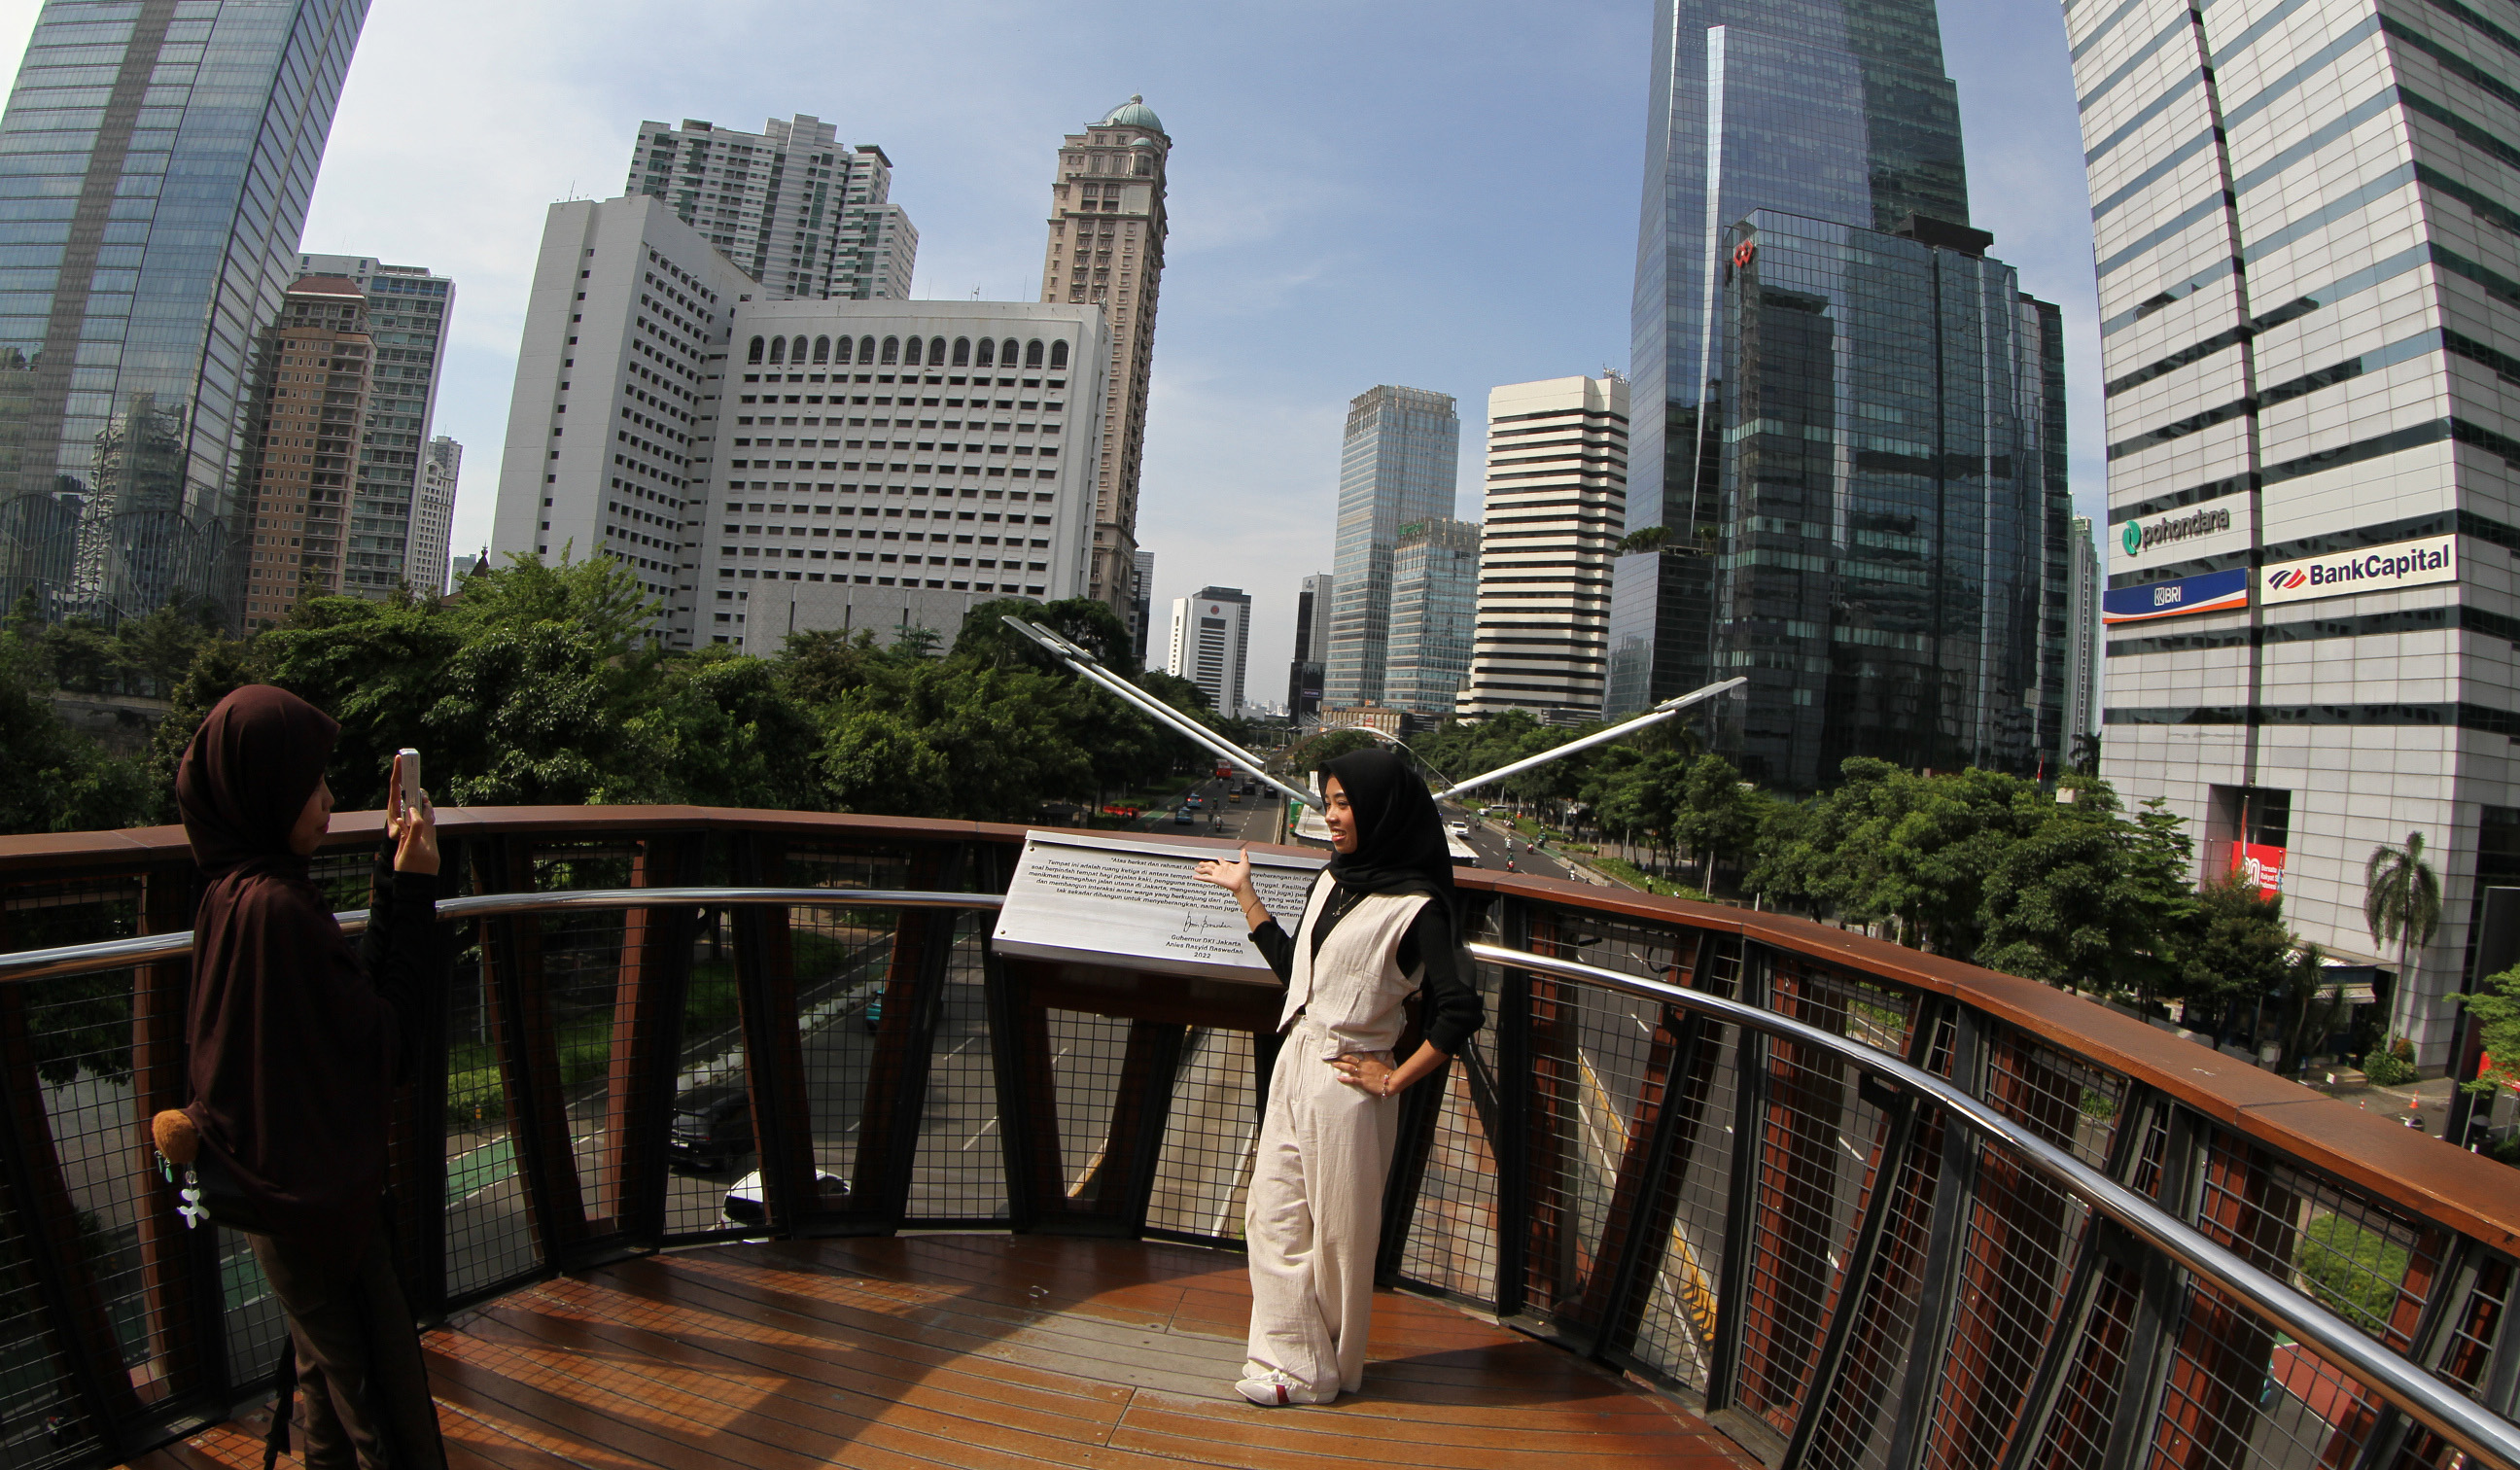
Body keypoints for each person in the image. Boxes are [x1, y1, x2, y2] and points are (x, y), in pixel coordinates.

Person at [176, 685, 449, 1470]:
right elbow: (385, 1046)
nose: (329, 800)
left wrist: (394, 881)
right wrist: (421, 890)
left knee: (325, 1390)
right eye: (314, 784)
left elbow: (348, 1005)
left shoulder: (235, 892)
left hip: (277, 1192)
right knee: (382, 1408)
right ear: (263, 791)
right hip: (319, 1208)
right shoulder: (279, 911)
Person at [1193, 749, 1484, 1406]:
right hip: (1296, 1056)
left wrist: (1395, 1077)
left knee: (1338, 1237)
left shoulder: (1417, 909)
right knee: (1270, 1215)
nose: (1331, 816)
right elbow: (1300, 970)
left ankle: (1314, 1373)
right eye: (1327, 802)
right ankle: (1288, 1360)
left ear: (1381, 809)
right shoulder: (1334, 880)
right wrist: (1246, 895)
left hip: (1352, 1082)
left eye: (1344, 803)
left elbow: (1459, 1008)